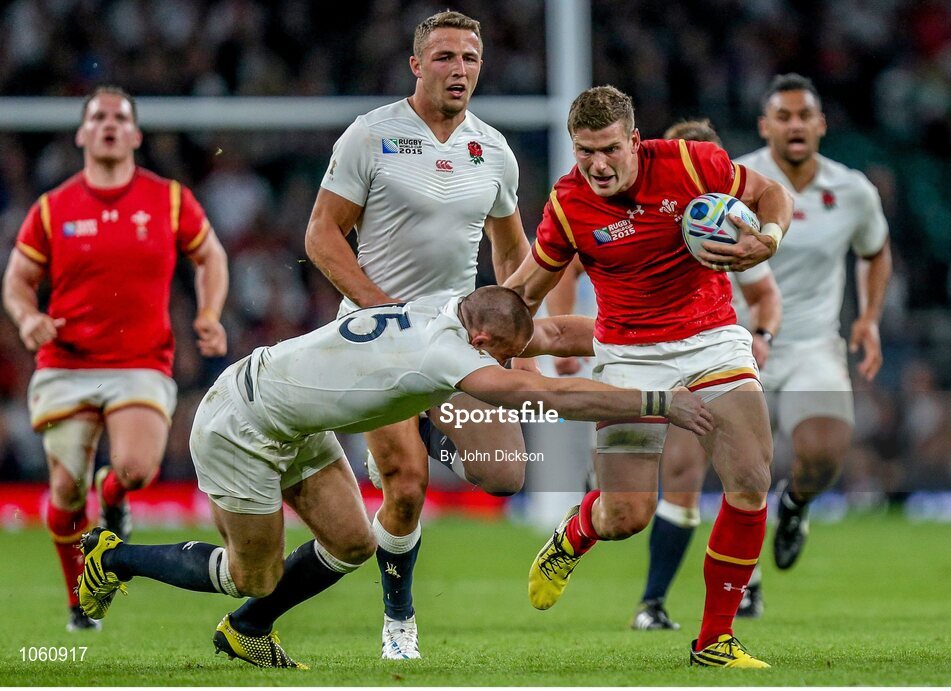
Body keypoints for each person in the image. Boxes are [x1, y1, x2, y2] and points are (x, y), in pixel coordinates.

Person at [75, 286, 714, 669]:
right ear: (484, 337)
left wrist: (661, 340)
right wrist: (658, 402)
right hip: (239, 423)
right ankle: (115, 557)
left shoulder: (442, 313)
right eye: (499, 354)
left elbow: (546, 336)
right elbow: (544, 394)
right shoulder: (446, 351)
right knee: (253, 574)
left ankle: (247, 632)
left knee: (353, 542)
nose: (499, 364)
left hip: (287, 416)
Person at [506, 86, 794, 668]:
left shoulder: (692, 163)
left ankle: (714, 640)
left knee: (749, 479)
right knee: (627, 516)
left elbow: (771, 194)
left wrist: (768, 239)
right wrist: (483, 336)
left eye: (609, 149)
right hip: (628, 356)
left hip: (712, 340)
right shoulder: (568, 205)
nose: (598, 165)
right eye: (584, 152)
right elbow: (526, 290)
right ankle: (575, 535)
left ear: (635, 140)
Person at [304, 11, 532, 659]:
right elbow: (321, 235)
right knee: (405, 492)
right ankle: (399, 616)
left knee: (505, 474)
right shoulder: (370, 135)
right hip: (375, 337)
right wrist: (380, 306)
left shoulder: (492, 149)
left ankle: (418, 435)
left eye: (469, 58)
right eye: (443, 57)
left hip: (451, 338)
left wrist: (513, 321)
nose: (458, 69)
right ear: (415, 65)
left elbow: (511, 246)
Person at [1, 86, 229, 632]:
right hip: (66, 364)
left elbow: (210, 255)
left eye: (119, 118)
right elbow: (17, 281)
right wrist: (28, 318)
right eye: (98, 117)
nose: (108, 125)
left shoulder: (168, 198)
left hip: (139, 363)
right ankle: (80, 600)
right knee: (63, 491)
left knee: (135, 469)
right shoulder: (53, 208)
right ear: (82, 133)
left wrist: (210, 312)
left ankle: (116, 497)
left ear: (135, 135)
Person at [731, 74, 891, 594]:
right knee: (741, 465)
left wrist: (868, 317)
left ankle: (795, 505)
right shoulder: (736, 180)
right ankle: (745, 580)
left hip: (813, 343)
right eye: (784, 116)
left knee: (825, 454)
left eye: (805, 116)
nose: (795, 124)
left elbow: (875, 251)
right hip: (739, 339)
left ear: (820, 125)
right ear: (766, 126)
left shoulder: (852, 190)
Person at [627, 119, 782, 630]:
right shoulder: (655, 227)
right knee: (674, 482)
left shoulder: (736, 223)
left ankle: (702, 599)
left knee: (738, 477)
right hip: (664, 356)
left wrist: (765, 335)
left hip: (724, 358)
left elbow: (765, 296)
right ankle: (662, 600)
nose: (719, 179)